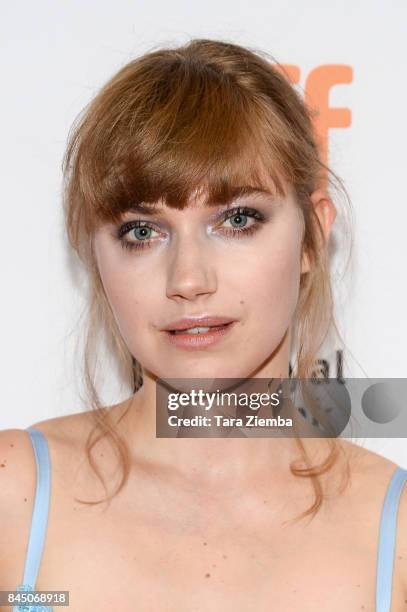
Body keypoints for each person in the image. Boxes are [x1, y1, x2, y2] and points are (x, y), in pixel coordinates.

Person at [0, 38, 406, 612]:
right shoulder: (15, 496)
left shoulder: (395, 538)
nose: (188, 279)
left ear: (313, 235)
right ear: (95, 253)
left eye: (238, 219)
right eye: (142, 231)